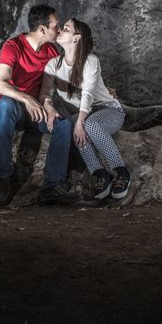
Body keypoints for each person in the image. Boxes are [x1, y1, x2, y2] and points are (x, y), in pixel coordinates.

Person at [0, 5, 76, 206]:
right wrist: (26, 99)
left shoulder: (51, 52)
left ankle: (52, 186)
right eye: (55, 25)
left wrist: (48, 106)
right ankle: (4, 175)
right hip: (16, 109)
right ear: (42, 29)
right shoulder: (13, 46)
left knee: (63, 124)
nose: (59, 30)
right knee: (4, 104)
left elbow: (53, 88)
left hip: (37, 111)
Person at [39, 18, 131, 200]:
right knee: (71, 126)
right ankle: (99, 174)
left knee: (87, 125)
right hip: (82, 115)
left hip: (108, 110)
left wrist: (80, 122)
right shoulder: (53, 64)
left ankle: (121, 172)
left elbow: (88, 94)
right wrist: (49, 108)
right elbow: (45, 94)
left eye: (66, 29)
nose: (61, 31)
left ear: (76, 38)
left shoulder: (91, 61)